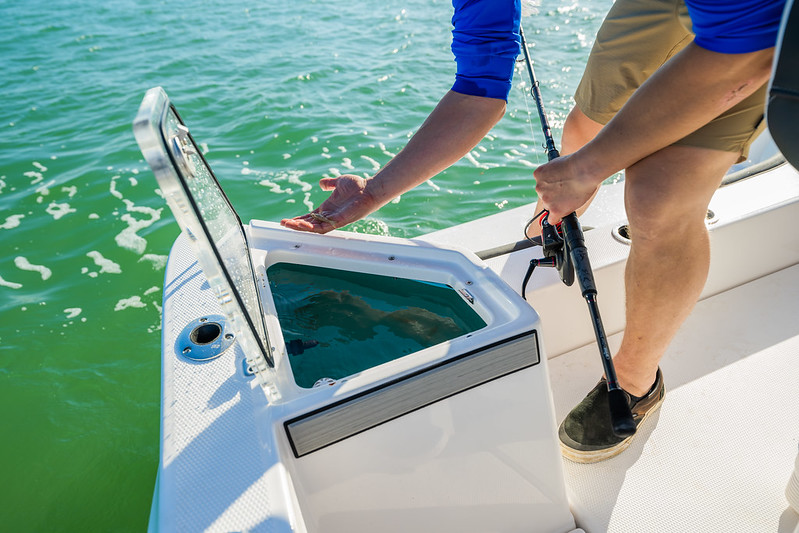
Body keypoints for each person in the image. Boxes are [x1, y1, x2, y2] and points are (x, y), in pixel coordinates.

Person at [281, 0, 787, 463]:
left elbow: (747, 50)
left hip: (754, 21)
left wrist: (591, 169)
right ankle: (561, 212)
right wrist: (376, 190)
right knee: (581, 133)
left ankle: (634, 382)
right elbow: (479, 89)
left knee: (656, 200)